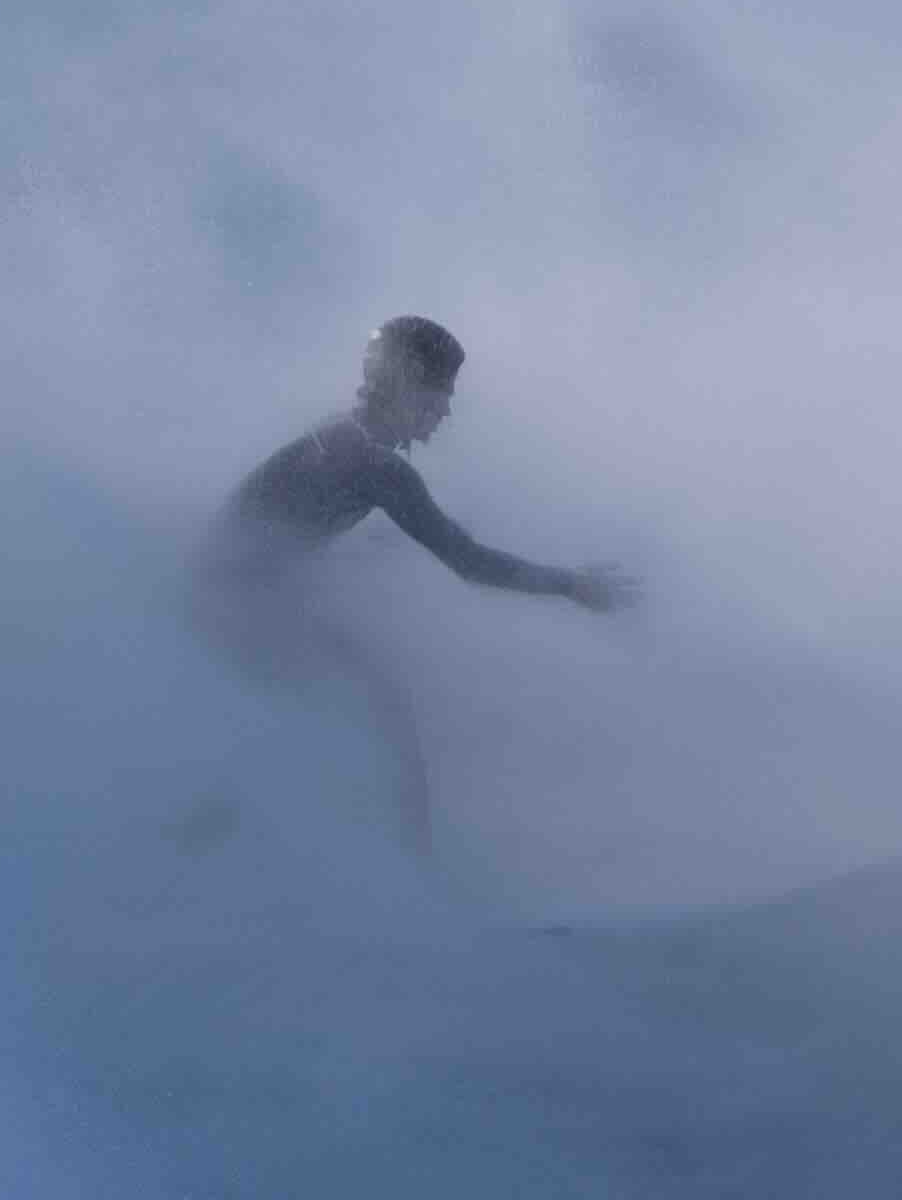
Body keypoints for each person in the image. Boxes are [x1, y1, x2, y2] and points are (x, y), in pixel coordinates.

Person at [198, 313, 631, 852]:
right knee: (382, 703)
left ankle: (227, 830)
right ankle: (411, 872)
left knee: (345, 687)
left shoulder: (338, 438)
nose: (447, 410)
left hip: (222, 597)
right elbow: (467, 562)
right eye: (440, 394)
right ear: (403, 379)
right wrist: (572, 586)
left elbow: (281, 525)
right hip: (233, 609)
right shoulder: (378, 467)